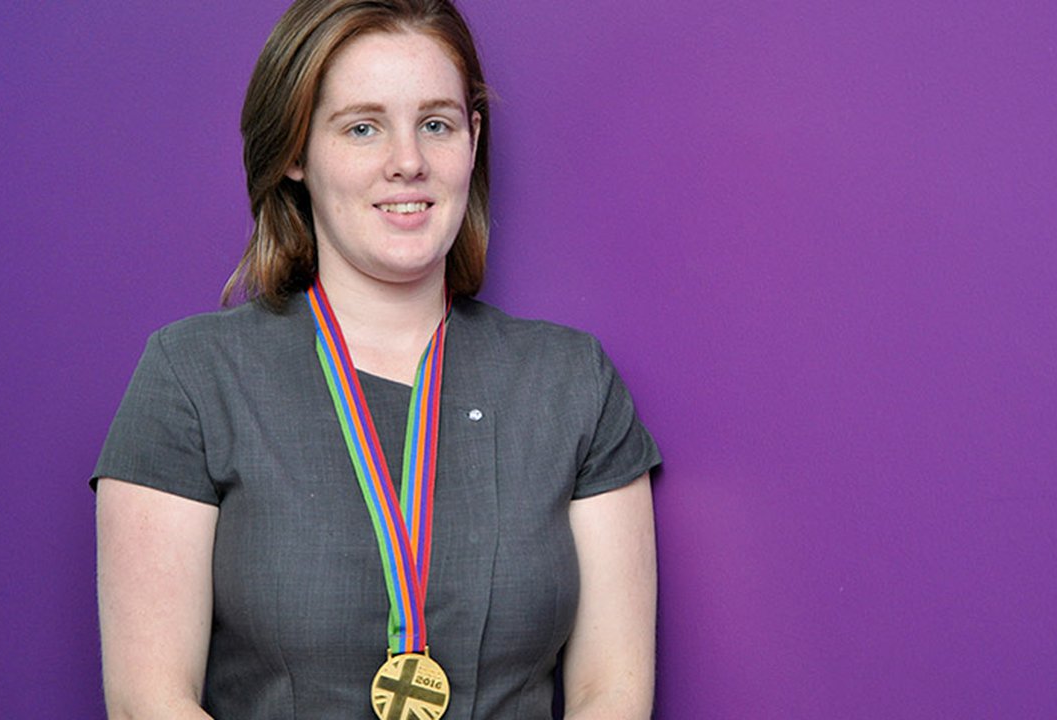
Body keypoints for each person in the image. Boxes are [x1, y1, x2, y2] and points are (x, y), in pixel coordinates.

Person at [92, 1, 660, 718]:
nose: (408, 162)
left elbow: (610, 693)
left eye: (436, 124)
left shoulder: (574, 384)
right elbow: (150, 702)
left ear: (472, 140)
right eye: (363, 127)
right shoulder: (191, 378)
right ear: (296, 152)